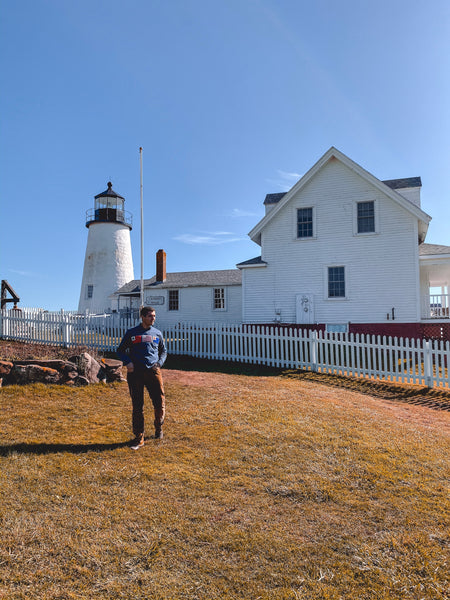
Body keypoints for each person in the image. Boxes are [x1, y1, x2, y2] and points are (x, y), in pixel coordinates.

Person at [117, 306, 167, 449]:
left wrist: (159, 363)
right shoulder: (131, 333)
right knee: (138, 406)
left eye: (154, 316)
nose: (153, 318)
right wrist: (128, 362)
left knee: (159, 402)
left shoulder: (157, 333)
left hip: (153, 372)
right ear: (143, 317)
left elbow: (163, 351)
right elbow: (120, 350)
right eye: (150, 316)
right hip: (136, 373)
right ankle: (139, 437)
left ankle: (159, 428)